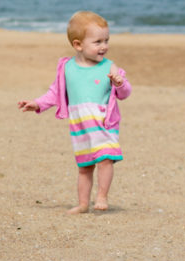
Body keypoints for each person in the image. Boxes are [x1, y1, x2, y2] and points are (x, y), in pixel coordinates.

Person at [18, 11, 132, 214]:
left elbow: (124, 93)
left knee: (106, 159)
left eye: (106, 40)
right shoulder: (67, 68)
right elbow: (54, 93)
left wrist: (120, 83)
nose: (104, 46)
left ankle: (102, 196)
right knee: (85, 166)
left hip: (103, 122)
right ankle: (82, 203)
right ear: (78, 45)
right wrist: (37, 103)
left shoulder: (110, 67)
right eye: (97, 42)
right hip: (80, 125)